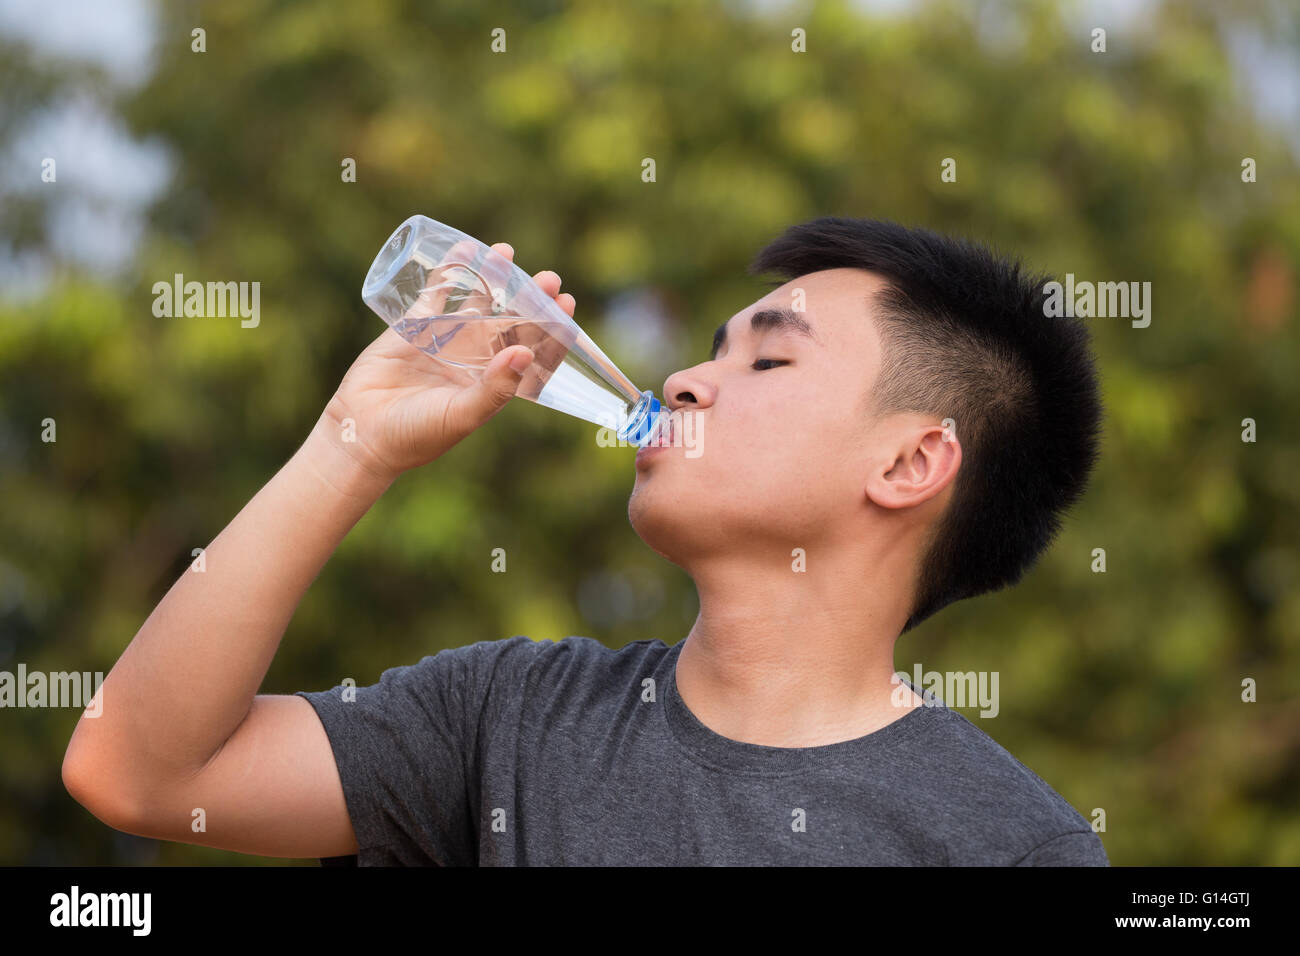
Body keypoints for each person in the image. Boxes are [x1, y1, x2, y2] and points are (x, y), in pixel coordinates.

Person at [62, 216, 1107, 865]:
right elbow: (141, 773)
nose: (687, 381)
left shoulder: (1009, 844)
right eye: (707, 351)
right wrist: (350, 445)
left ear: (909, 464)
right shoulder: (510, 718)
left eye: (769, 363)